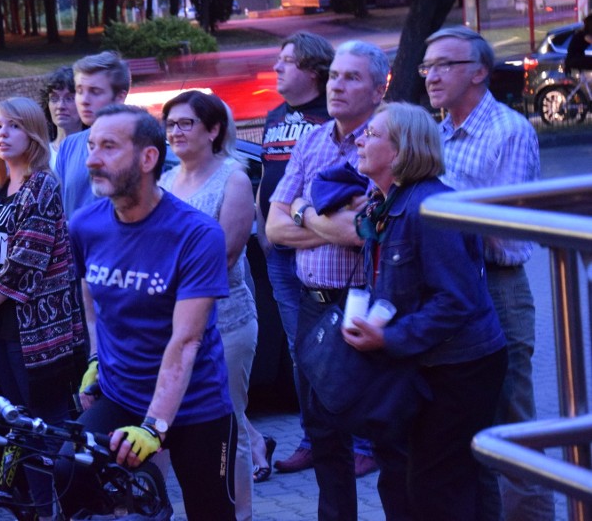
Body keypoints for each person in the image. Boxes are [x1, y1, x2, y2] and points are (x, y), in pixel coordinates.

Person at [57, 104, 236, 520]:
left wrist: (155, 426)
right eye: (91, 146)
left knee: (212, 513)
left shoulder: (196, 234)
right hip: (122, 394)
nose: (92, 159)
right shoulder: (85, 224)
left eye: (109, 147)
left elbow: (186, 339)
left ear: (148, 158)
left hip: (197, 405)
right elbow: (90, 293)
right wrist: (96, 356)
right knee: (69, 471)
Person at [345, 101, 508, 519]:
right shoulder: (382, 205)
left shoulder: (431, 208)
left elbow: (457, 300)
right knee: (408, 480)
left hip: (459, 367)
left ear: (401, 152)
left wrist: (390, 337)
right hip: (420, 364)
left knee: (438, 486)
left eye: (373, 134)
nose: (360, 140)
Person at [422, 26, 552, 520]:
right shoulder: (433, 133)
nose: (431, 76)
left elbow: (510, 238)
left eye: (444, 65)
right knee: (462, 431)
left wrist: (438, 216)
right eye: (426, 66)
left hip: (495, 291)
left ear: (479, 72)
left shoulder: (507, 132)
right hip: (444, 293)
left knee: (512, 429)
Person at [266, 40, 390, 520]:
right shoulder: (313, 141)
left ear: (379, 89)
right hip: (315, 307)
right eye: (335, 76)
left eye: (352, 78)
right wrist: (316, 217)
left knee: (387, 437)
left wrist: (301, 211)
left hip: (372, 304)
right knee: (324, 437)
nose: (338, 85)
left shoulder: (390, 141)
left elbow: (366, 236)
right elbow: (275, 228)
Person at [0, 97, 86, 521]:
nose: (2, 133)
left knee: (46, 422)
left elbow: (26, 261)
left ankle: (68, 505)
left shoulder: (42, 186)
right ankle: (39, 508)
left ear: (33, 133)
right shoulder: (3, 189)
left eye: (14, 126)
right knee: (20, 424)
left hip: (35, 330)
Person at [159, 91, 256, 520]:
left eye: (186, 123)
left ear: (214, 130)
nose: (176, 132)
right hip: (176, 325)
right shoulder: (163, 181)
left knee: (228, 427)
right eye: (171, 124)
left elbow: (227, 256)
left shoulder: (233, 178)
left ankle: (243, 514)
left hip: (227, 323)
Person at [55, 51, 129, 219]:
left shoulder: (137, 146)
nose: (84, 100)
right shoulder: (69, 146)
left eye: (95, 91)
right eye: (80, 91)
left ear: (119, 97)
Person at [39, 66, 83, 169]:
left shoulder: (93, 151)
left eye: (69, 98)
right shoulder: (40, 155)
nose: (60, 106)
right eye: (54, 98)